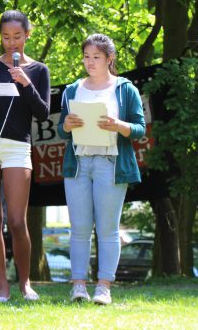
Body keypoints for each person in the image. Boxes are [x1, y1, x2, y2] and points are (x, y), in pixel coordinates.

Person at [58, 33, 146, 306]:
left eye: (96, 57)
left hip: (111, 163)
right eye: (86, 57)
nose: (90, 62)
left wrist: (118, 125)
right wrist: (68, 125)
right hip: (79, 164)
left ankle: (104, 287)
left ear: (110, 58)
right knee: (79, 228)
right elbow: (63, 129)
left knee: (107, 229)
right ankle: (79, 286)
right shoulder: (73, 89)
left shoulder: (125, 88)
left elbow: (139, 128)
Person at [0, 10, 50, 302]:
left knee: (17, 220)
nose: (11, 43)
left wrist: (25, 84)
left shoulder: (39, 70)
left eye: (17, 36)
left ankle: (25, 283)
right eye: (6, 37)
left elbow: (42, 113)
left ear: (27, 34)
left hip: (18, 145)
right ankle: (2, 287)